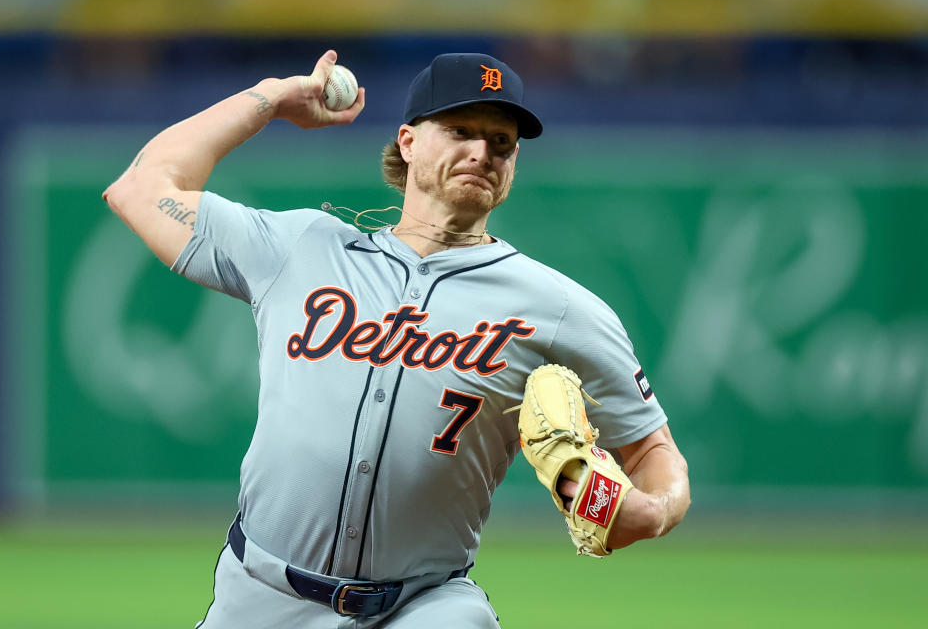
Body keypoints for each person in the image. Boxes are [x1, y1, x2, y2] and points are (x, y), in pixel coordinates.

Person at [103, 50, 690, 628]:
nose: (482, 151)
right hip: (259, 597)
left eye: (502, 141)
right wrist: (273, 98)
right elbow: (140, 187)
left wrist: (652, 509)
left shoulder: (560, 309)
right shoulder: (301, 247)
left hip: (426, 606)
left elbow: (651, 453)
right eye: (460, 129)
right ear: (408, 142)